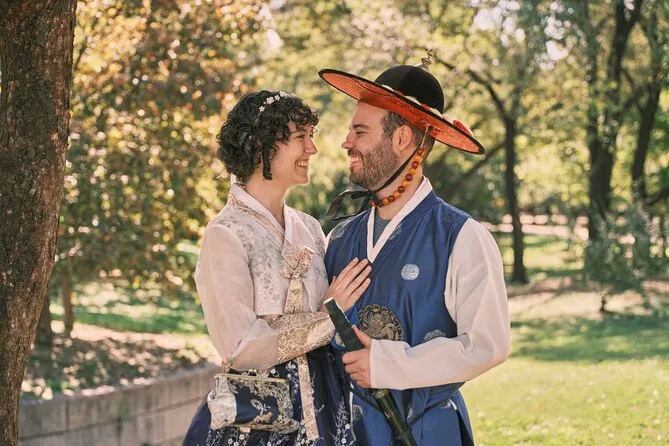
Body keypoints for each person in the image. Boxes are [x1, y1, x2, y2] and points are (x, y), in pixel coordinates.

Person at [319, 52, 511, 445]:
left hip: (425, 432)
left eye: (360, 131)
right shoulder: (338, 239)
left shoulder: (461, 237)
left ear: (402, 138)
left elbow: (488, 346)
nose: (346, 142)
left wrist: (389, 365)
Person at [183, 90, 370, 446]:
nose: (312, 149)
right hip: (258, 419)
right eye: (300, 137)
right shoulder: (226, 233)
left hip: (325, 408)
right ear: (261, 145)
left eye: (311, 136)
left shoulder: (310, 228)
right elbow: (240, 347)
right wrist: (326, 318)